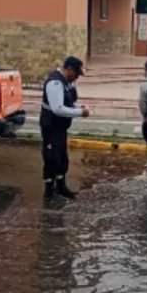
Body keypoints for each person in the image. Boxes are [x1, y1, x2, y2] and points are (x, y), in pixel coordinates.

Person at [40, 56, 90, 199]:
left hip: (60, 127)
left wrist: (79, 107)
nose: (76, 78)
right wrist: (80, 112)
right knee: (51, 158)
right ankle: (49, 191)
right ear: (69, 69)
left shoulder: (66, 83)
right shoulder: (55, 83)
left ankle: (61, 186)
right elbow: (58, 108)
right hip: (51, 126)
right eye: (76, 74)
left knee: (62, 157)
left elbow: (67, 103)